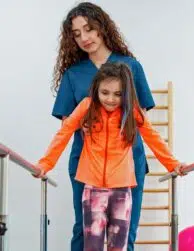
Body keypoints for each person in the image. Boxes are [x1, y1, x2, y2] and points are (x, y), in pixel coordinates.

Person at [36, 62, 184, 251]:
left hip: (122, 190)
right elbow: (63, 134)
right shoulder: (87, 106)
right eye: (105, 92)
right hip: (93, 190)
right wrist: (45, 164)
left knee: (118, 247)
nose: (111, 99)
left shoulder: (131, 112)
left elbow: (153, 138)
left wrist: (173, 165)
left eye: (118, 94)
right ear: (96, 89)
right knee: (92, 246)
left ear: (126, 93)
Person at [51, 2, 155, 250]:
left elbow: (143, 114)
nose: (84, 38)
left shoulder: (131, 66)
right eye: (76, 34)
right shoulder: (73, 74)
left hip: (127, 162)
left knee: (125, 231)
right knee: (83, 231)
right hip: (86, 163)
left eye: (89, 29)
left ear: (102, 27)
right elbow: (67, 121)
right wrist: (81, 124)